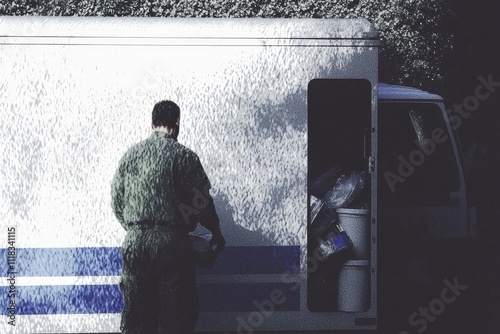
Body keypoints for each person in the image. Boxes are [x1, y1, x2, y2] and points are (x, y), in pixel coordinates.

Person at [111, 100, 225, 334]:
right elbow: (202, 202)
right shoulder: (183, 156)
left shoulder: (129, 157)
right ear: (176, 123)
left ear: (152, 123)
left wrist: (138, 230)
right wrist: (216, 232)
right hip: (171, 245)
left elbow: (117, 202)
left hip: (135, 245)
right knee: (178, 318)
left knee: (137, 320)